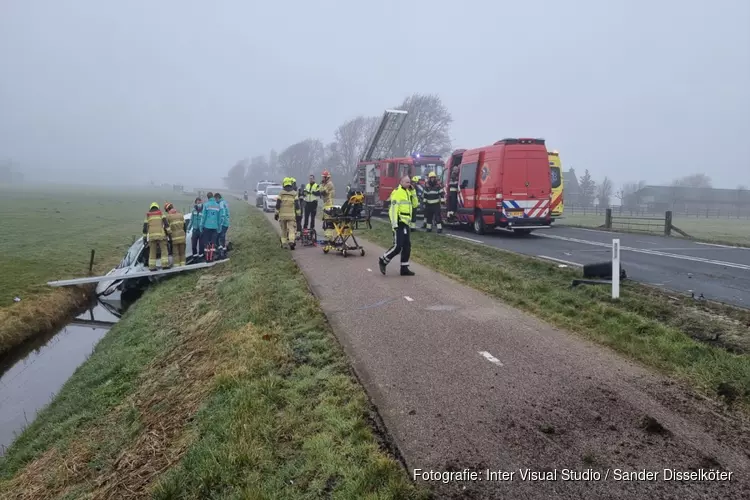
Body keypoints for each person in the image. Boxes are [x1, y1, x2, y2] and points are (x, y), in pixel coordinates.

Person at [378, 176, 415, 276]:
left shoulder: (408, 192)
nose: (409, 184)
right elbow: (393, 210)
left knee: (407, 246)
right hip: (399, 223)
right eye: (407, 182)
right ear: (401, 182)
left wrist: (413, 192)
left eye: (409, 182)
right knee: (398, 246)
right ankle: (383, 260)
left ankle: (404, 268)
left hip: (406, 223)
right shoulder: (397, 192)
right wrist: (395, 224)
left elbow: (415, 205)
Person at [142, 202, 171, 271]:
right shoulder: (161, 213)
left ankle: (152, 267)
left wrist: (145, 238)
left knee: (152, 252)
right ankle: (165, 265)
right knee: (164, 250)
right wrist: (169, 233)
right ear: (157, 207)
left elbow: (145, 228)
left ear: (151, 208)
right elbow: (166, 224)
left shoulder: (148, 215)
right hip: (161, 235)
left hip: (152, 236)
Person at [275, 177, 300, 249]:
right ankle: (291, 241)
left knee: (284, 229)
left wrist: (276, 214)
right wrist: (298, 214)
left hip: (282, 215)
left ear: (284, 184)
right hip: (291, 215)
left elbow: (278, 204)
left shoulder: (281, 193)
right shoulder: (294, 193)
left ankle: (284, 244)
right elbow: (297, 205)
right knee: (291, 228)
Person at [164, 202, 187, 267]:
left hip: (174, 238)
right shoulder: (180, 215)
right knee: (182, 253)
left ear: (168, 209)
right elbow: (185, 227)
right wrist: (184, 235)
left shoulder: (168, 217)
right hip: (182, 237)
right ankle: (183, 267)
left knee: (176, 254)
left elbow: (166, 228)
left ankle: (177, 269)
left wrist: (168, 236)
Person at [200, 192, 221, 262]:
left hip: (207, 226)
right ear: (213, 197)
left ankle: (207, 258)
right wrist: (219, 227)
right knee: (213, 243)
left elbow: (203, 217)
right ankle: (211, 257)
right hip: (215, 227)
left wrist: (201, 226)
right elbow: (219, 218)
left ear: (207, 197)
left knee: (206, 243)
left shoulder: (206, 205)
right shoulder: (218, 205)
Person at [319, 170, 336, 243]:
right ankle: (329, 237)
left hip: (329, 203)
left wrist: (321, 186)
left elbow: (323, 192)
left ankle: (330, 237)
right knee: (326, 220)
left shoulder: (329, 184)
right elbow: (320, 190)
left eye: (323, 177)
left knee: (329, 220)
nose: (322, 178)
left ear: (326, 177)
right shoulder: (325, 184)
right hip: (326, 203)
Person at [215, 192, 230, 260]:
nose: (215, 201)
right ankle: (223, 251)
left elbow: (222, 214)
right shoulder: (224, 202)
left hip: (223, 223)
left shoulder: (221, 204)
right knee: (222, 237)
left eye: (215, 199)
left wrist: (220, 223)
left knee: (219, 237)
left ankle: (222, 253)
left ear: (217, 198)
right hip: (226, 222)